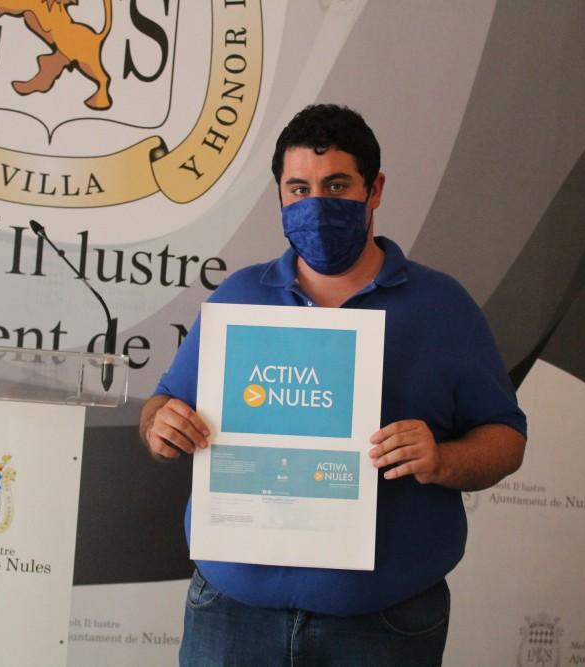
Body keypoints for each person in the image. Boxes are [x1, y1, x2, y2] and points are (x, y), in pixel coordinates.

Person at [138, 104, 527, 666]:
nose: (316, 205)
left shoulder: (444, 307)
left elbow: (506, 439)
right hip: (231, 615)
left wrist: (441, 459)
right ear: (279, 194)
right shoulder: (240, 297)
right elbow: (163, 404)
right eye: (298, 189)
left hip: (384, 624)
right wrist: (160, 425)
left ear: (375, 190)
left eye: (337, 186)